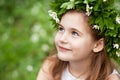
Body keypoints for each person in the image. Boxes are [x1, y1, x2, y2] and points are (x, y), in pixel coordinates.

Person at [37, 0, 120, 80]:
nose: (62, 39)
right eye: (61, 29)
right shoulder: (51, 67)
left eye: (74, 33)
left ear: (98, 45)